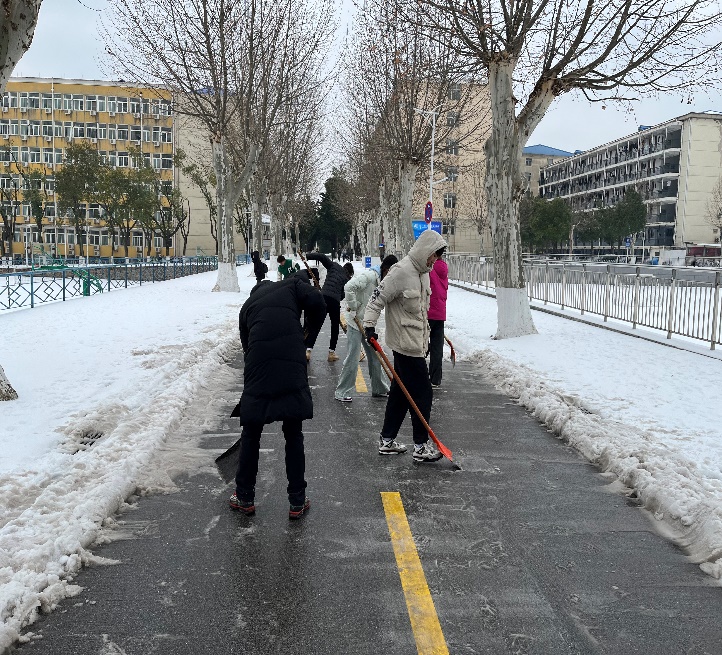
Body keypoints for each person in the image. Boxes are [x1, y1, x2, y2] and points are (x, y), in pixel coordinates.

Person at [230, 277, 326, 519]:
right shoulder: (291, 285)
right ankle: (297, 501)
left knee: (251, 432)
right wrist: (308, 335)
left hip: (258, 367)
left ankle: (244, 497)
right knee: (293, 432)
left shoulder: (247, 306)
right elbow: (318, 300)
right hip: (291, 363)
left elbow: (247, 348)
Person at [363, 229, 447, 462]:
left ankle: (387, 440)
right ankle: (420, 446)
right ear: (425, 250)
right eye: (433, 255)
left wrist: (427, 338)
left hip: (416, 344)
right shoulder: (400, 271)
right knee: (423, 393)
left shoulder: (424, 274)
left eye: (437, 256)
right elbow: (376, 300)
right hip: (403, 345)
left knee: (400, 395)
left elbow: (422, 312)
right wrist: (369, 327)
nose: (434, 260)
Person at [335, 255, 398, 402]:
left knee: (375, 355)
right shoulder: (369, 277)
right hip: (355, 321)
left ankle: (379, 388)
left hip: (367, 324)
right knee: (353, 356)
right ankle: (342, 392)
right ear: (386, 269)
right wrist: (354, 306)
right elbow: (349, 287)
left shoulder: (382, 282)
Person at [304, 252, 354, 362]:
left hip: (323, 297)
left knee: (317, 325)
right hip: (334, 301)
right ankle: (331, 353)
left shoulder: (334, 266)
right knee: (334, 327)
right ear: (350, 273)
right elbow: (343, 295)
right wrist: (338, 296)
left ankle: (308, 351)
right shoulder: (347, 279)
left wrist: (309, 256)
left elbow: (322, 257)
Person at [427, 256, 448, 388]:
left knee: (420, 344)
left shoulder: (429, 268)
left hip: (428, 311)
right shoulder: (443, 268)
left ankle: (419, 375)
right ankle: (435, 378)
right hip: (440, 313)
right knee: (437, 347)